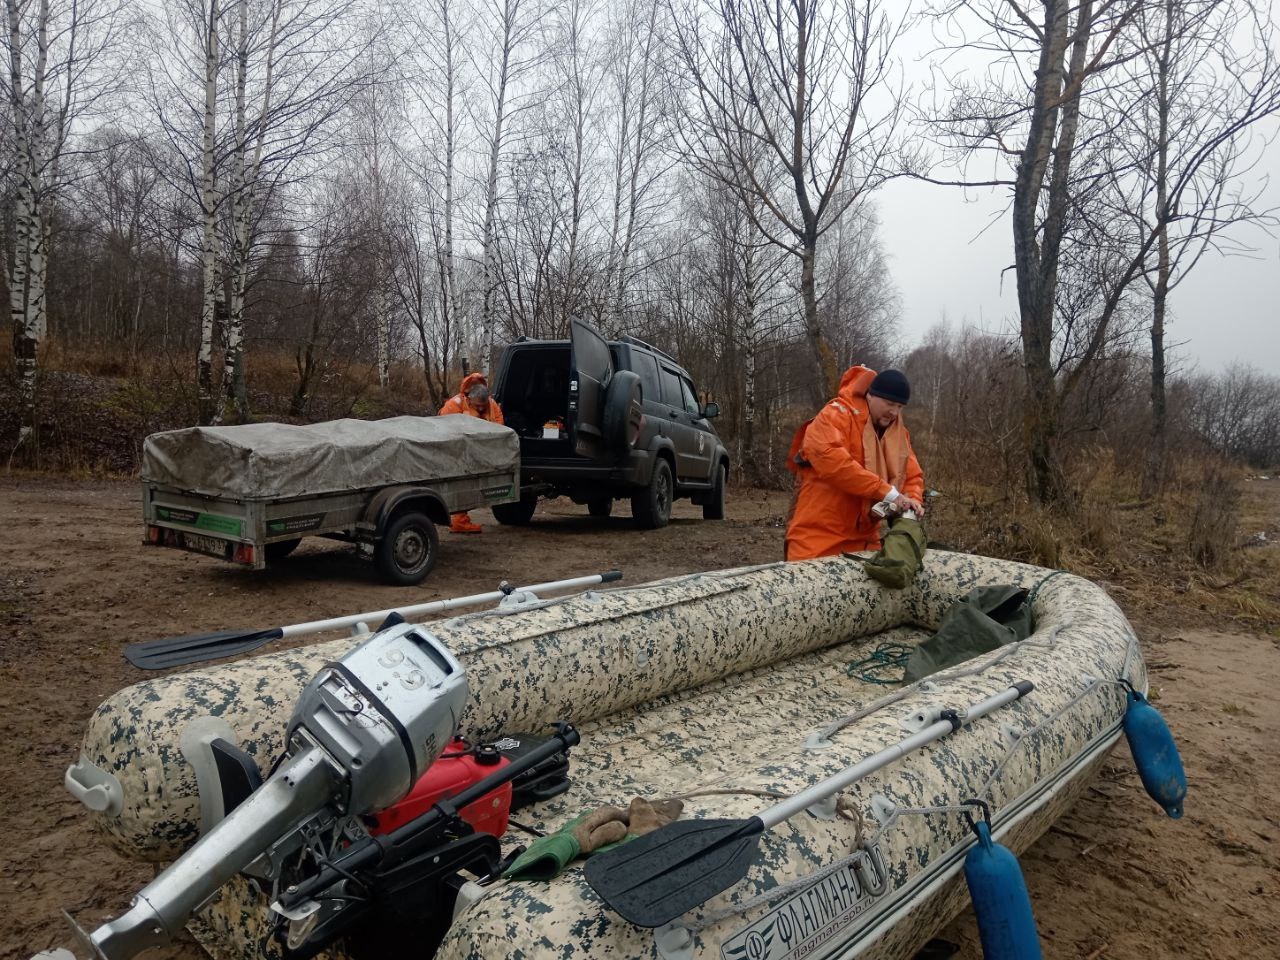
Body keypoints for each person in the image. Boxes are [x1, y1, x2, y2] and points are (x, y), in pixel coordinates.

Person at [784, 366, 925, 561]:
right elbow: (834, 462)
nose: (894, 412)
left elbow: (911, 474)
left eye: (900, 407)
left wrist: (913, 500)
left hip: (865, 541)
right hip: (817, 537)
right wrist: (888, 492)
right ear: (870, 396)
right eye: (889, 403)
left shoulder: (899, 434)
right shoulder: (836, 415)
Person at [439, 372, 505, 534]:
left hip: (480, 451)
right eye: (478, 406)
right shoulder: (453, 405)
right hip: (457, 451)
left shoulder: (492, 404)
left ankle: (461, 518)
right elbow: (443, 430)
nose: (481, 408)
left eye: (483, 406)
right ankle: (459, 520)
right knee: (460, 482)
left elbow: (500, 426)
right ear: (469, 398)